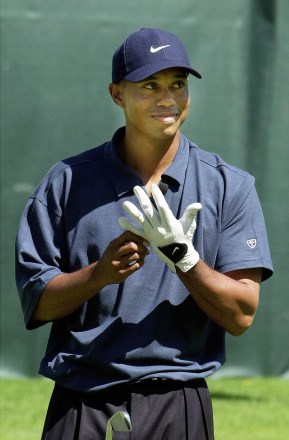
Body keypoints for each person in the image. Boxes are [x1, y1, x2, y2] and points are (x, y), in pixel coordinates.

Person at [16, 28, 273, 439]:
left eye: (178, 84)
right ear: (117, 94)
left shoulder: (229, 186)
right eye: (149, 85)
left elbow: (241, 314)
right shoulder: (65, 182)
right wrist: (100, 274)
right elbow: (37, 302)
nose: (167, 98)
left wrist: (184, 260)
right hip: (82, 401)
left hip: (179, 401)